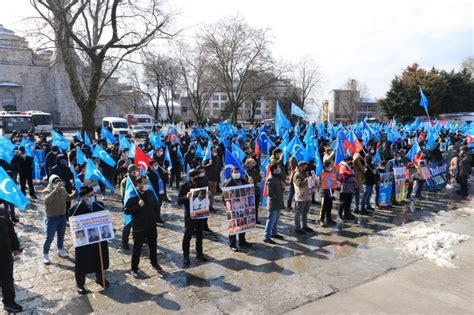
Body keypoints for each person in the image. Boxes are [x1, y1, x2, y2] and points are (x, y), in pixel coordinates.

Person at [69, 185, 110, 294]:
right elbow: (73, 225)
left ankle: (100, 278)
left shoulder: (99, 205)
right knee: (82, 261)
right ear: (84, 197)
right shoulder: (75, 209)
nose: (93, 196)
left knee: (99, 256)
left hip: (98, 238)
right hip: (84, 240)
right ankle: (80, 284)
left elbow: (105, 219)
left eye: (93, 194)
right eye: (90, 195)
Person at [124, 176, 162, 277]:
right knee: (137, 249)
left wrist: (156, 217)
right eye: (144, 183)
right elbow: (126, 211)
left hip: (151, 225)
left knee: (153, 246)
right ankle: (134, 268)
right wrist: (137, 206)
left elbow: (155, 205)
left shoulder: (149, 193)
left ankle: (154, 263)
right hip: (139, 227)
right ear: (138, 185)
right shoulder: (133, 196)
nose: (146, 185)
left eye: (147, 183)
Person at [177, 168, 209, 266]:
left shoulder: (200, 184)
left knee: (199, 233)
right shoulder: (184, 186)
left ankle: (199, 253)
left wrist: (208, 194)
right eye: (196, 177)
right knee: (188, 234)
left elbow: (204, 194)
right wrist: (186, 197)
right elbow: (179, 200)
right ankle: (186, 255)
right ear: (191, 177)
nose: (198, 179)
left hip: (200, 213)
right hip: (189, 214)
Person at [42, 175, 75, 264]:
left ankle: (60, 249)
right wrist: (55, 190)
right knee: (49, 237)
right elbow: (46, 200)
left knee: (61, 235)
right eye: (55, 182)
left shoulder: (63, 189)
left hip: (62, 217)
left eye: (59, 181)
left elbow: (68, 198)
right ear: (51, 183)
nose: (58, 183)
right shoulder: (47, 190)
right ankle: (45, 254)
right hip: (52, 218)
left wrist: (75, 193)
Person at [224, 167, 253, 252]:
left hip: (243, 206)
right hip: (233, 207)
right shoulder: (228, 183)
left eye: (238, 172)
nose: (237, 173)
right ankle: (232, 244)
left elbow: (248, 190)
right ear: (232, 173)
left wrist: (250, 183)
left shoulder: (243, 180)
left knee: (243, 224)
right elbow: (224, 197)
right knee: (233, 226)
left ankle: (242, 241)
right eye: (235, 172)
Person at [0, 208, 23, 313]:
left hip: (5, 254)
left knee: (8, 280)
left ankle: (9, 303)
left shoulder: (3, 212)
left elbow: (11, 231)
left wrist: (16, 247)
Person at [263, 163, 285, 243]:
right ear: (274, 169)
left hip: (278, 202)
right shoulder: (271, 178)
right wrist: (278, 197)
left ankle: (274, 233)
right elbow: (270, 193)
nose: (279, 169)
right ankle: (266, 237)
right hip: (273, 203)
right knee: (271, 220)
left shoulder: (277, 177)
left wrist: (282, 188)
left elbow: (279, 189)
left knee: (276, 219)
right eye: (277, 167)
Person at [120, 164, 139, 250]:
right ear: (130, 171)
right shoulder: (125, 181)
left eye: (137, 170)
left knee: (137, 224)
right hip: (129, 205)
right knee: (127, 225)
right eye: (134, 170)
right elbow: (123, 195)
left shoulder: (138, 179)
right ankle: (124, 242)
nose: (136, 172)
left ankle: (138, 239)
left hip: (137, 205)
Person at [292, 161, 314, 234]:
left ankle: (305, 226)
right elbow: (299, 184)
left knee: (305, 212)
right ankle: (297, 228)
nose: (306, 167)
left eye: (306, 166)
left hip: (307, 195)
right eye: (304, 166)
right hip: (301, 196)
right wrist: (306, 180)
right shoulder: (297, 174)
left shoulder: (306, 172)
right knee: (298, 213)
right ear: (300, 166)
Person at [203, 146, 222, 212]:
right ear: (210, 151)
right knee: (207, 193)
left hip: (215, 178)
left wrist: (218, 176)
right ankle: (205, 206)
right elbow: (203, 167)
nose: (215, 152)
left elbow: (220, 167)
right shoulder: (208, 158)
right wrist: (209, 164)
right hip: (208, 178)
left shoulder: (217, 158)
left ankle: (210, 206)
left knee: (213, 193)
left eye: (215, 150)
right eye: (213, 150)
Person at [244, 156, 262, 224]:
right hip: (249, 192)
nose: (254, 164)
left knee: (256, 206)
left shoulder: (257, 170)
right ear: (248, 164)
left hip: (256, 191)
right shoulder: (246, 172)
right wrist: (248, 180)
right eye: (253, 163)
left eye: (254, 163)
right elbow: (245, 182)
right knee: (250, 206)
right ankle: (250, 219)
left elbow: (259, 178)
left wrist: (260, 179)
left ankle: (256, 219)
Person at [338, 156, 356, 221]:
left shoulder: (350, 167)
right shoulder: (343, 167)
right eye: (350, 160)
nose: (351, 162)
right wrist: (351, 175)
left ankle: (346, 214)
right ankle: (340, 215)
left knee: (348, 202)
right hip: (345, 188)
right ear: (347, 161)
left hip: (350, 187)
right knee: (342, 202)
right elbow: (343, 178)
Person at [319, 161, 336, 227]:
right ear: (326, 167)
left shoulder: (331, 173)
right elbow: (323, 183)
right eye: (329, 166)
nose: (330, 167)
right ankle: (321, 220)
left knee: (329, 206)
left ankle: (329, 218)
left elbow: (333, 182)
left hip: (330, 192)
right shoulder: (322, 173)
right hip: (324, 193)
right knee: (323, 207)